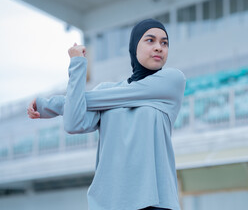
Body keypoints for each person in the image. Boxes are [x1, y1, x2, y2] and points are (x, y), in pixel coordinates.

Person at [27, 19, 186, 210]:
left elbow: (102, 99)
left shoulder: (172, 81)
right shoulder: (107, 90)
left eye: (164, 42)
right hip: (109, 204)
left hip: (157, 203)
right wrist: (78, 64)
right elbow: (72, 123)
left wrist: (52, 105)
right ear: (134, 47)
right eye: (150, 40)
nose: (159, 47)